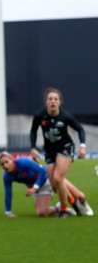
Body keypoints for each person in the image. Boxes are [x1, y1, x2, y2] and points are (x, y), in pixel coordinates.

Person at [30, 87, 88, 218]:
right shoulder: (40, 116)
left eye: (55, 99)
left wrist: (82, 147)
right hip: (50, 151)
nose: (53, 101)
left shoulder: (65, 116)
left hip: (65, 147)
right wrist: (33, 148)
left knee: (58, 178)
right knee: (56, 186)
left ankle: (63, 210)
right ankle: (75, 205)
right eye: (50, 99)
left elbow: (80, 129)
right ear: (46, 101)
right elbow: (33, 131)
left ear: (59, 102)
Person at [0, 151, 92, 217]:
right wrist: (8, 212)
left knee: (79, 195)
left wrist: (35, 187)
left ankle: (83, 204)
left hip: (48, 178)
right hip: (38, 187)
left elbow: (42, 171)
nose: (5, 165)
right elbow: (8, 193)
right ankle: (61, 208)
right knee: (41, 213)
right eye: (2, 164)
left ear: (12, 160)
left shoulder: (22, 162)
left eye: (6, 162)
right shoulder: (7, 177)